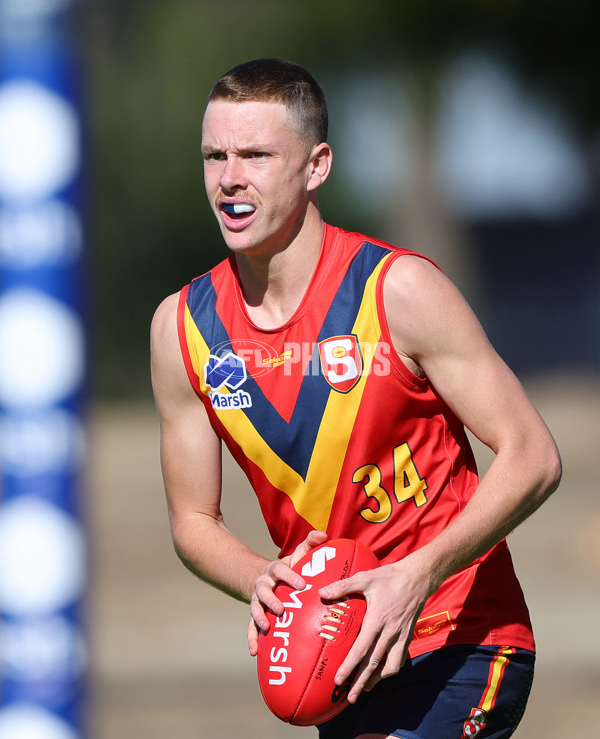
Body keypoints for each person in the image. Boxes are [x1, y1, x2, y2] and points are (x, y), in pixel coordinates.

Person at [150, 58, 561, 739]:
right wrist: (265, 582)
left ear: (317, 166)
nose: (229, 178)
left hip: (459, 635)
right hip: (341, 664)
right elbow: (193, 520)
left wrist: (415, 575)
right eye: (214, 155)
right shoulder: (184, 328)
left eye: (255, 155)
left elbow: (533, 455)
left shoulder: (397, 291)